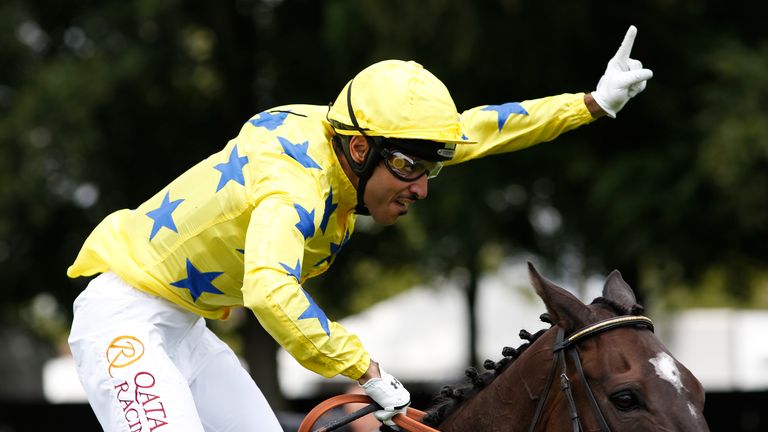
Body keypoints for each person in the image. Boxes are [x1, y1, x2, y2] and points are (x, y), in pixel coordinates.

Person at [66, 25, 652, 431]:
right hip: (125, 321)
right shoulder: (293, 180)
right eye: (406, 168)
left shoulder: (360, 143)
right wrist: (363, 368)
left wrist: (590, 104)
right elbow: (269, 290)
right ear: (356, 147)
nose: (420, 187)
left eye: (428, 170)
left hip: (187, 329)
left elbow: (477, 130)